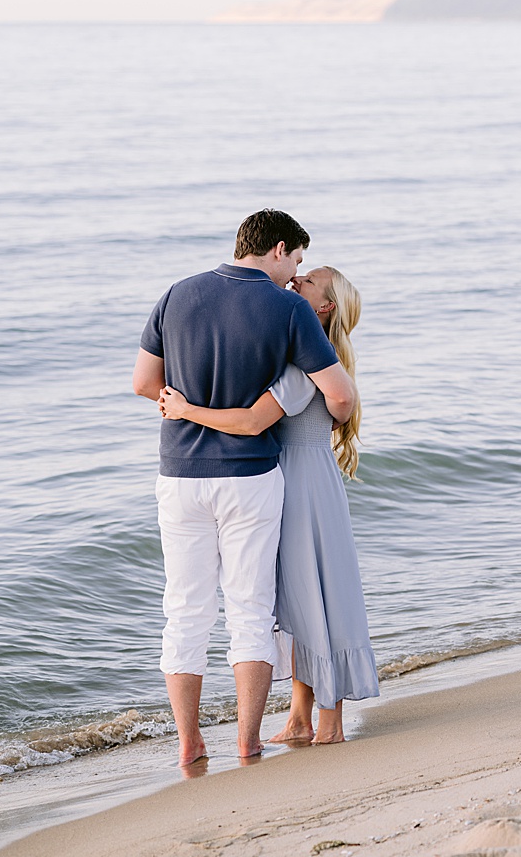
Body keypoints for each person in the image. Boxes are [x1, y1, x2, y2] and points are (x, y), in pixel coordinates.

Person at [132, 210, 356, 765]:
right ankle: (246, 740)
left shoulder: (176, 294)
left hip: (179, 475)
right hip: (250, 476)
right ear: (279, 249)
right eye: (296, 261)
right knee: (250, 611)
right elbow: (339, 394)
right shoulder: (285, 309)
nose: (294, 274)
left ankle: (189, 744)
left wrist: (180, 408)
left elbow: (142, 383)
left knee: (184, 612)